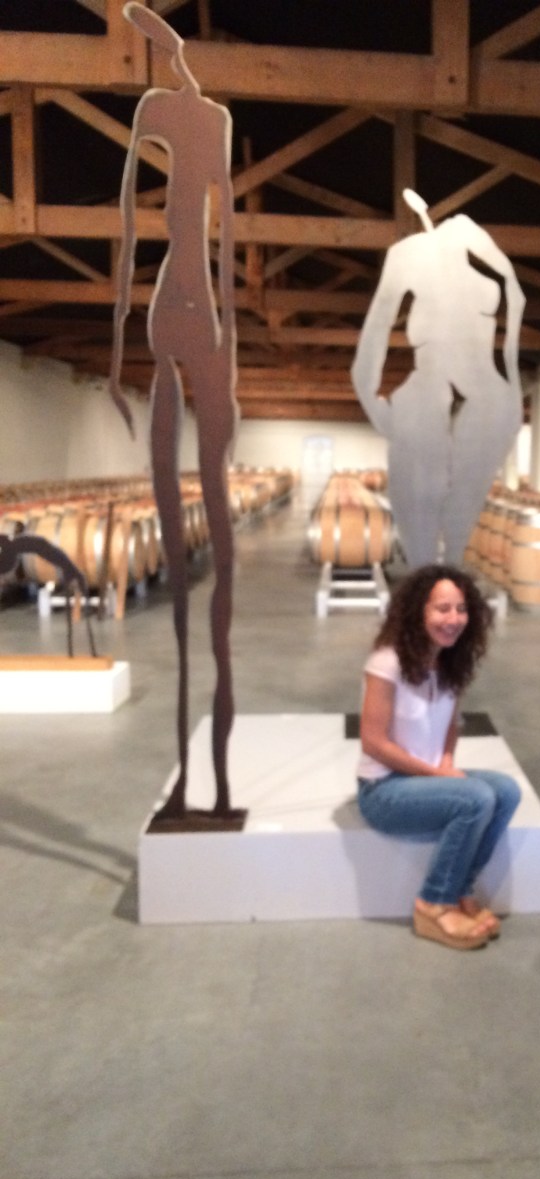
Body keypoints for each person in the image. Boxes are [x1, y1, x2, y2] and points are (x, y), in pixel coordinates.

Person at [109, 4, 240, 825]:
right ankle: (205, 781)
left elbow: (135, 233)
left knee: (206, 534)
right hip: (195, 318)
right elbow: (204, 247)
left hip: (174, 312)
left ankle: (211, 781)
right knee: (208, 534)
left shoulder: (165, 112)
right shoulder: (194, 117)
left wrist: (117, 355)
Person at [351, 190, 524, 567]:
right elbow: (377, 327)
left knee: (464, 511)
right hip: (428, 388)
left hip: (487, 394)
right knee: (420, 512)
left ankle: (452, 578)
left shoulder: (481, 259)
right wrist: (370, 398)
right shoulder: (408, 256)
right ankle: (424, 580)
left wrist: (513, 393)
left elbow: (516, 301)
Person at [357, 564, 521, 950]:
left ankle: (460, 889)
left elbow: (450, 724)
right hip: (384, 790)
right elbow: (373, 743)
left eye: (461, 609)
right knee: (475, 797)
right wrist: (437, 776)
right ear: (418, 612)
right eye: (442, 609)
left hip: (425, 778)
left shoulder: (450, 660)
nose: (454, 619)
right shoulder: (386, 662)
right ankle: (434, 903)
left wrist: (446, 763)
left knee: (506, 791)